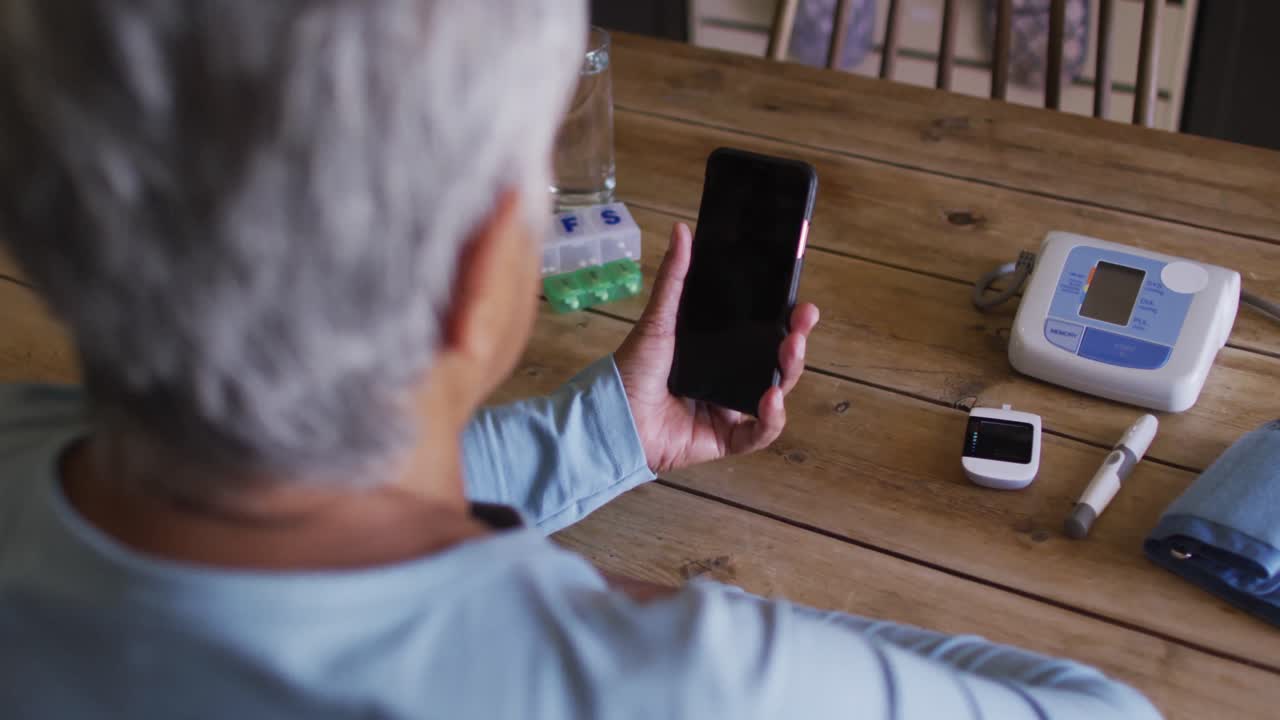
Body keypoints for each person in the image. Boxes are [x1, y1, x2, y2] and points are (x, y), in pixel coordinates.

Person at [0, 2, 1161, 718]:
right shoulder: (663, 683)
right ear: (470, 282)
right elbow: (1104, 712)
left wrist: (611, 431)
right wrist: (650, 627)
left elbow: (287, 495)